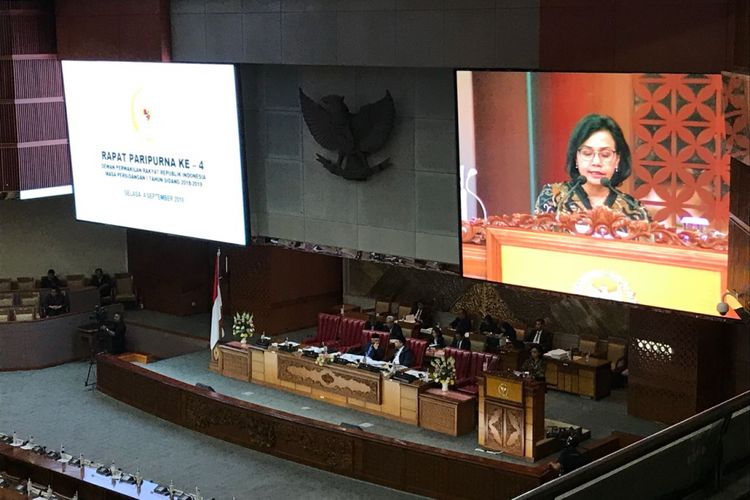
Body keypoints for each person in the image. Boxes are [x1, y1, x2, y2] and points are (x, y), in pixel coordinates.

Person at [535, 113, 650, 221]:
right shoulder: (554, 197)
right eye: (587, 153)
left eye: (605, 154)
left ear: (617, 160)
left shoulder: (635, 210)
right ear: (576, 157)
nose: (596, 162)